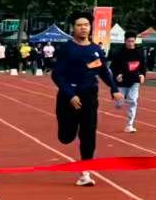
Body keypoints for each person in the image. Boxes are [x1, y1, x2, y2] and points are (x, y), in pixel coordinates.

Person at [51, 12, 117, 187]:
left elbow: (104, 71)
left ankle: (85, 172)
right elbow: (57, 75)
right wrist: (70, 94)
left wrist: (114, 89)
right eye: (79, 25)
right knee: (66, 137)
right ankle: (67, 132)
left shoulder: (95, 50)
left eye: (86, 25)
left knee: (88, 134)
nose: (83, 28)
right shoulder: (66, 49)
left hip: (89, 96)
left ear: (90, 27)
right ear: (73, 28)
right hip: (68, 97)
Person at [109, 33, 147, 133]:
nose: (130, 43)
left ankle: (129, 125)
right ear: (125, 41)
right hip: (121, 82)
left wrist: (142, 75)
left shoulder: (139, 53)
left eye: (132, 41)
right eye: (129, 41)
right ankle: (118, 101)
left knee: (133, 101)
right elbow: (112, 68)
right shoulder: (119, 53)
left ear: (135, 41)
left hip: (134, 81)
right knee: (119, 103)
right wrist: (117, 75)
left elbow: (143, 66)